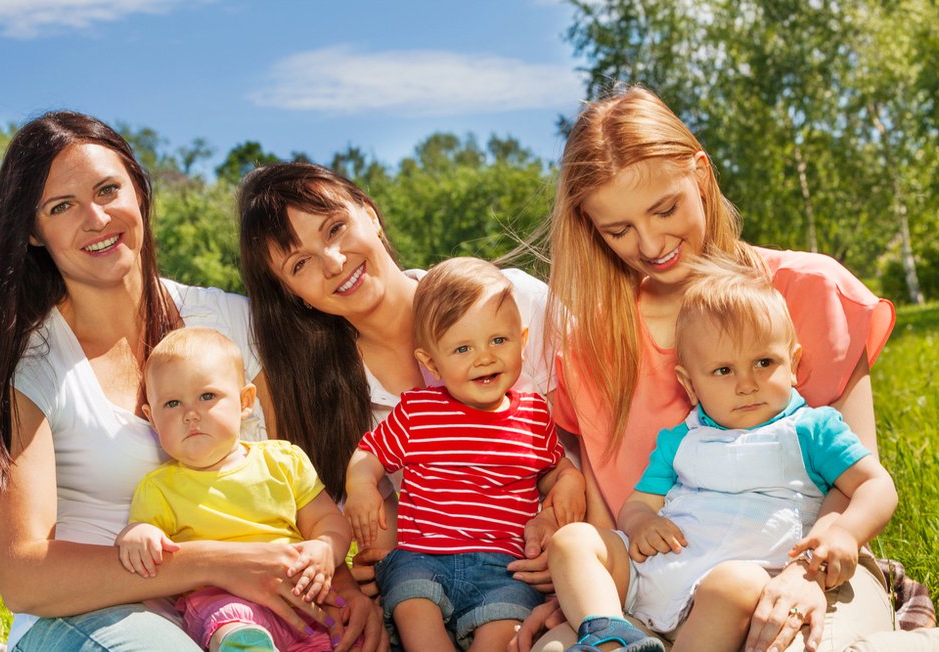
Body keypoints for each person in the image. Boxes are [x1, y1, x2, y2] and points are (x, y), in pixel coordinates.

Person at [0, 111, 384, 652]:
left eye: (108, 189)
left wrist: (342, 588)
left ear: (139, 191)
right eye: (61, 207)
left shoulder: (232, 322)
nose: (95, 218)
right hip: (91, 615)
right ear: (33, 232)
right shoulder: (34, 363)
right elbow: (22, 574)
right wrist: (216, 563)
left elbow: (290, 488)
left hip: (250, 612)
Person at [511, 85, 903, 652]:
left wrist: (806, 575)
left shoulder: (810, 289)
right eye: (617, 230)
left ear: (701, 172)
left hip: (801, 567)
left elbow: (857, 481)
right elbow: (608, 524)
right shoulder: (591, 345)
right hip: (656, 586)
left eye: (665, 208)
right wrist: (587, 598)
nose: (650, 245)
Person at [237, 162, 559, 594]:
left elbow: (598, 443)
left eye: (334, 229)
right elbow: (356, 535)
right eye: (300, 264)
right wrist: (369, 571)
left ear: (369, 214)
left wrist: (573, 536)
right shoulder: (325, 406)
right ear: (294, 295)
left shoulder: (515, 300)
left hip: (557, 577)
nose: (333, 263)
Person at [547, 259, 897, 652]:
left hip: (735, 595)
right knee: (572, 541)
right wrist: (642, 521)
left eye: (764, 363)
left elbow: (876, 483)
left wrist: (844, 532)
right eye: (723, 371)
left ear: (793, 363)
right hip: (659, 574)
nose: (747, 384)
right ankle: (610, 636)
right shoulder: (680, 439)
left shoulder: (811, 430)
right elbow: (638, 504)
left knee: (734, 583)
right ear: (689, 383)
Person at [344, 257, 585, 651]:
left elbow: (551, 468)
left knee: (503, 628)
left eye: (498, 341)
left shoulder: (532, 414)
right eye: (462, 348)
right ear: (431, 362)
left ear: (522, 340)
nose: (484, 357)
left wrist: (570, 480)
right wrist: (361, 485)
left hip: (503, 567)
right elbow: (369, 453)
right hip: (423, 557)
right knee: (413, 606)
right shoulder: (417, 411)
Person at [118, 327, 353, 652]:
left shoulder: (283, 461)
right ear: (152, 419)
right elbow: (144, 541)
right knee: (227, 619)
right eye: (172, 403)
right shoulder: (159, 487)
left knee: (332, 640)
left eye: (207, 396)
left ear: (245, 402)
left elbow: (327, 519)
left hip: (299, 598)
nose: (190, 414)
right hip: (221, 597)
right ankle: (244, 646)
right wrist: (137, 533)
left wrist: (326, 547)